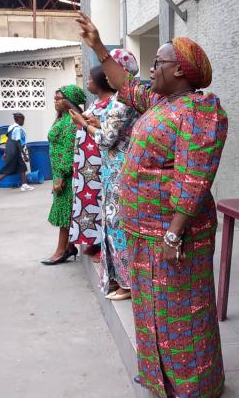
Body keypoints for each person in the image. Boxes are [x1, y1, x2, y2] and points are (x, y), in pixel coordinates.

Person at [78, 12, 228, 398]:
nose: (151, 68)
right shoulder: (160, 102)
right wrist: (96, 45)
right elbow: (124, 85)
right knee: (150, 308)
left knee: (182, 312)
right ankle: (160, 380)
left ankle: (195, 387)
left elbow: (194, 177)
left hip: (173, 236)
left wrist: (175, 233)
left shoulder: (199, 110)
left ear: (179, 70)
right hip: (144, 231)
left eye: (158, 63)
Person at [69, 55, 139, 301]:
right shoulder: (123, 98)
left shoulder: (123, 102)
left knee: (117, 226)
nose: (107, 74)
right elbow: (113, 129)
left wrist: (84, 124)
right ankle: (118, 278)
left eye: (112, 69)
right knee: (111, 225)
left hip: (120, 172)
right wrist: (97, 121)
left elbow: (107, 139)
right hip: (113, 170)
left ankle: (127, 283)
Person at [42, 85, 85, 266]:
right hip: (59, 173)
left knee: (65, 214)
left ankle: (62, 250)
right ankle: (68, 246)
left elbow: (68, 152)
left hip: (65, 176)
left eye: (58, 98)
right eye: (55, 98)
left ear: (68, 101)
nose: (55, 102)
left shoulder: (70, 122)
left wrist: (60, 177)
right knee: (66, 213)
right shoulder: (64, 118)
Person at [68, 70, 108, 253]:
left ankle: (102, 244)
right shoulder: (96, 103)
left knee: (98, 202)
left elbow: (105, 134)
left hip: (97, 164)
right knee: (87, 202)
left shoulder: (112, 104)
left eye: (90, 79)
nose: (87, 81)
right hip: (85, 164)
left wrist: (84, 122)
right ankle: (92, 240)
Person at [0, 112, 34, 193]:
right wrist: (24, 155)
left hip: (11, 150)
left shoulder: (11, 127)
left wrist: (5, 152)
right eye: (23, 120)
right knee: (9, 169)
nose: (23, 122)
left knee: (22, 167)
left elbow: (8, 141)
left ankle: (24, 185)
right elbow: (18, 142)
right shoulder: (17, 129)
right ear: (18, 120)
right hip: (15, 151)